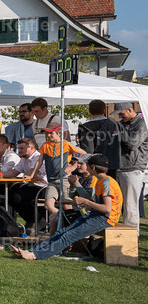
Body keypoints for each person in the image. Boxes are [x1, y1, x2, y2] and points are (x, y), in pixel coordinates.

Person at [10, 155, 121, 261]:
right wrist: (75, 198)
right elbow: (92, 202)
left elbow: (107, 209)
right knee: (62, 233)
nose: (83, 166)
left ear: (93, 167)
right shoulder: (101, 181)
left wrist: (85, 201)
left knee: (68, 236)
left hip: (105, 218)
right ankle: (31, 251)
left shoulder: (106, 183)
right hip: (95, 215)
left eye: (86, 164)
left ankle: (35, 255)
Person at [28, 125, 86, 226]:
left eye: (51, 133)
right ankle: (62, 219)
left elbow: (83, 154)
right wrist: (32, 175)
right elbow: (39, 161)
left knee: (67, 205)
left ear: (59, 133)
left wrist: (74, 167)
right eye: (47, 133)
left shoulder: (66, 144)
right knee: (48, 205)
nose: (49, 135)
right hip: (51, 181)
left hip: (64, 179)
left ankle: (71, 225)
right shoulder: (45, 145)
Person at [113, 102, 147, 231]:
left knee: (130, 206)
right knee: (120, 205)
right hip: (120, 167)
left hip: (133, 168)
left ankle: (133, 236)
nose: (120, 117)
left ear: (129, 110)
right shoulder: (122, 124)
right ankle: (123, 236)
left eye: (121, 113)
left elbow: (132, 144)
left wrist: (119, 132)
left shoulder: (142, 124)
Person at [77, 99, 121, 178]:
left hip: (96, 168)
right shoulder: (115, 124)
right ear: (104, 110)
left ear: (90, 111)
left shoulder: (86, 128)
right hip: (115, 165)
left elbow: (88, 150)